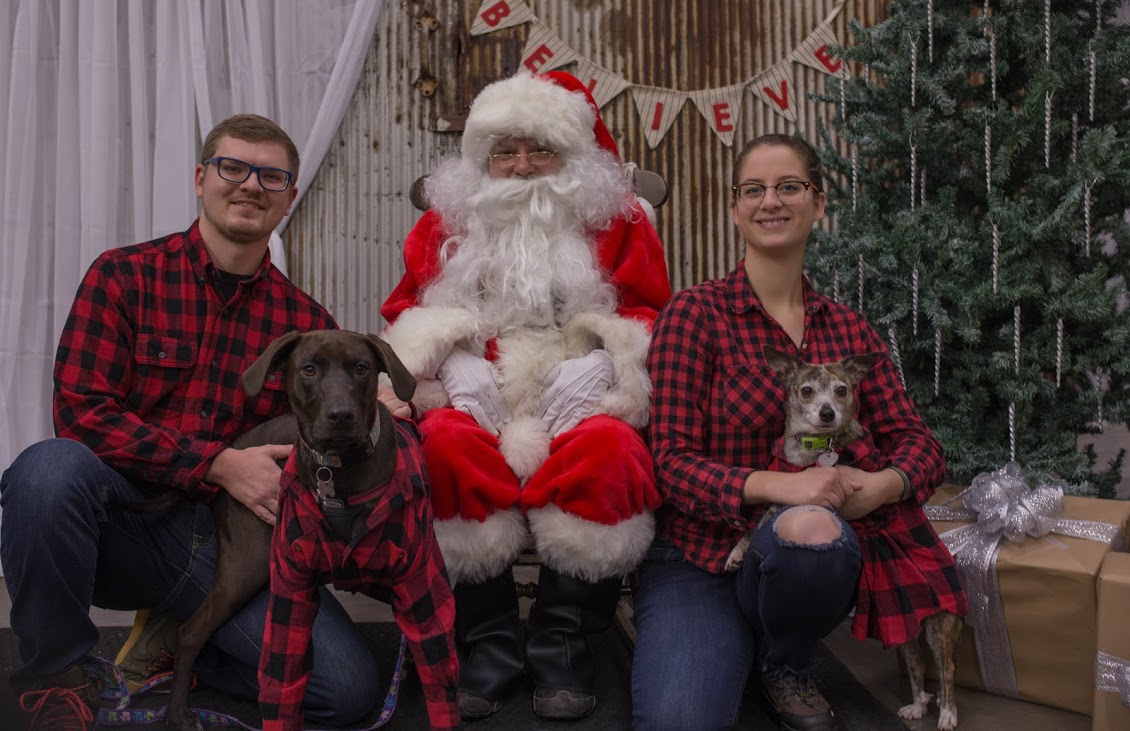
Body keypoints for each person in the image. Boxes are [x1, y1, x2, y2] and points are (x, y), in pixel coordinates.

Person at [0, 114, 384, 729]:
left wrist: (377, 409)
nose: (251, 185)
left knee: (346, 693)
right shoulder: (123, 276)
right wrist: (215, 463)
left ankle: (183, 644)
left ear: (288, 197)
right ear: (202, 179)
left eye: (272, 176)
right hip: (114, 526)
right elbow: (81, 414)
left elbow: (312, 439)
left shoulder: (304, 321)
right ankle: (56, 678)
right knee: (47, 471)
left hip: (220, 542)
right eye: (233, 168)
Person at [632, 134, 968, 731]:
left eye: (789, 187)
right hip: (698, 554)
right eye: (753, 190)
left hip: (806, 555)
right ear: (735, 209)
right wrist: (779, 487)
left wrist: (884, 484)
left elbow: (920, 444)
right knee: (680, 719)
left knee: (813, 531)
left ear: (817, 204)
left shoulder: (849, 331)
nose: (771, 202)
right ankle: (719, 636)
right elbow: (671, 462)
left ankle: (784, 658)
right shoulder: (694, 315)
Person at [379, 70, 671, 720]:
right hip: (474, 396)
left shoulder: (620, 221)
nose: (519, 165)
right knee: (445, 447)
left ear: (573, 155)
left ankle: (562, 639)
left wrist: (606, 360)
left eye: (538, 148)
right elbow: (405, 311)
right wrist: (448, 361)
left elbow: (652, 310)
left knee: (611, 451)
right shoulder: (444, 223)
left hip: (580, 398)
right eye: (504, 150)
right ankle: (485, 638)